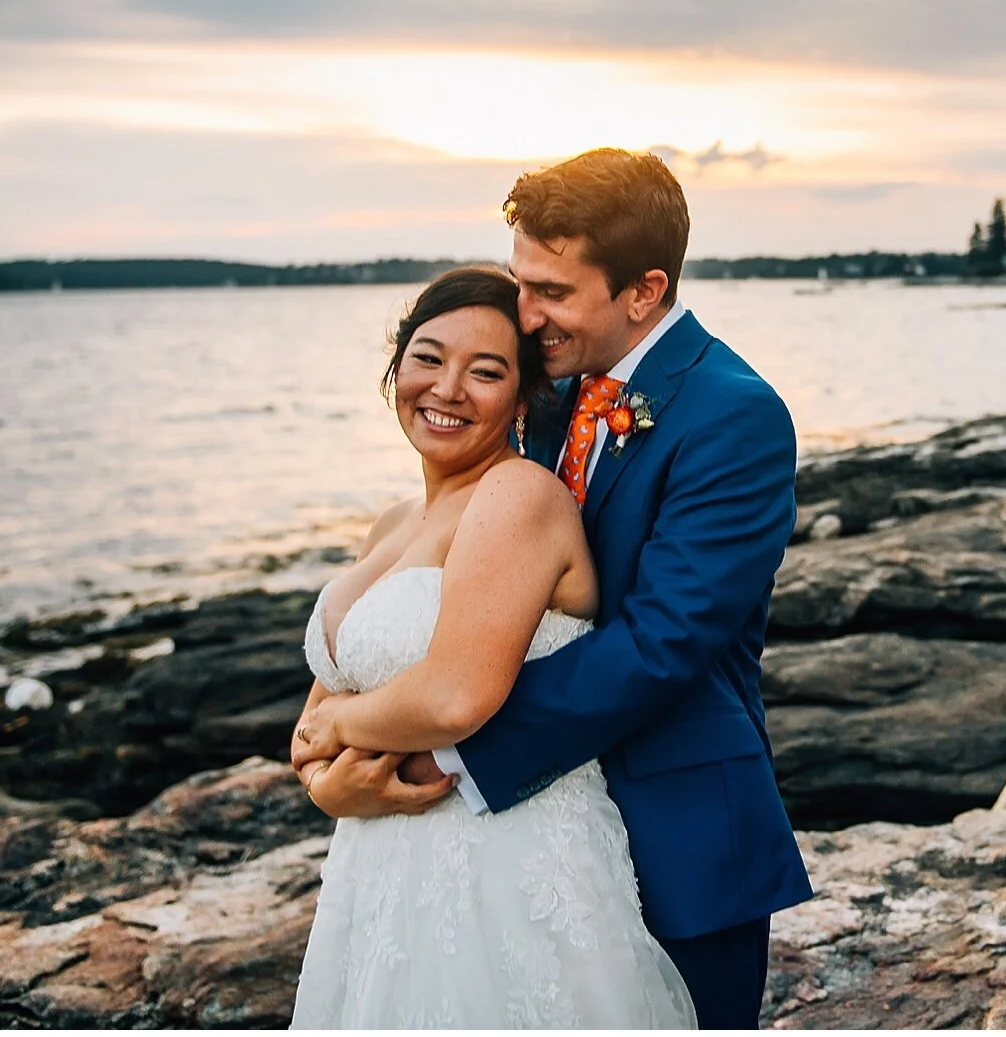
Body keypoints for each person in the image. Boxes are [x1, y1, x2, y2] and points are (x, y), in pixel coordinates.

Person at [294, 148, 813, 1029]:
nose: (526, 316)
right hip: (516, 839)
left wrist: (449, 746)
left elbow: (664, 640)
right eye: (520, 281)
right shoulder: (545, 388)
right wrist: (332, 773)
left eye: (553, 291)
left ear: (644, 291)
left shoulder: (735, 413)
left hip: (673, 814)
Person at [287, 265, 697, 1028]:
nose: (446, 389)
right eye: (428, 357)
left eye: (486, 372)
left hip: (496, 865)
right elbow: (325, 701)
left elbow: (452, 696)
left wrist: (333, 735)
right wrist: (324, 784)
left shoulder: (519, 495)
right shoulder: (390, 524)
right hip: (378, 875)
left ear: (522, 397)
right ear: (395, 366)